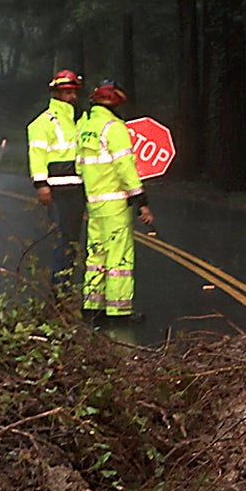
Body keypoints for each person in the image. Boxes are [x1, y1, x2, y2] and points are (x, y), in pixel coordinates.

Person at [74, 80, 154, 329]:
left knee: (96, 255)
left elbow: (79, 166)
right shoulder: (115, 128)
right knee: (119, 258)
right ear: (116, 102)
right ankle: (119, 312)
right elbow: (125, 168)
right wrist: (141, 201)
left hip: (94, 203)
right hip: (115, 203)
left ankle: (92, 309)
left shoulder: (85, 127)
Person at [27, 70, 86, 292]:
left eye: (74, 92)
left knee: (73, 242)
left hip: (79, 188)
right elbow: (37, 156)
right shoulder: (43, 123)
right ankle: (59, 291)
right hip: (57, 191)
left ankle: (66, 288)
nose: (72, 96)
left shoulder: (80, 120)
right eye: (67, 92)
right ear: (57, 92)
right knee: (64, 241)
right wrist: (41, 185)